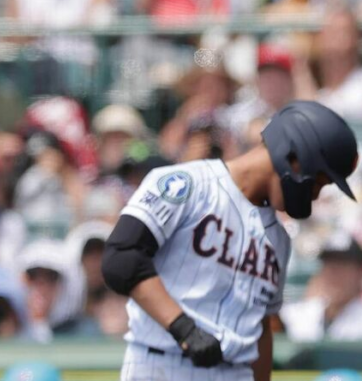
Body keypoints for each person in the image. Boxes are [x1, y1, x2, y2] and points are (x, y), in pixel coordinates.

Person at [101, 100, 358, 380]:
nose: (315, 195)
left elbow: (261, 330)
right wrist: (183, 328)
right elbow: (121, 258)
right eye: (318, 182)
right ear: (295, 158)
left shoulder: (279, 241)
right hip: (163, 365)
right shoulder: (188, 183)